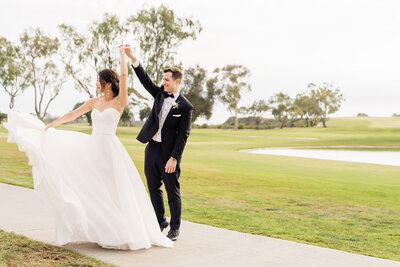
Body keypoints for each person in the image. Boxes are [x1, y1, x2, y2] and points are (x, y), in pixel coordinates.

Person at [3, 45, 173, 250]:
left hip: (110, 150)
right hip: (92, 147)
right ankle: (101, 229)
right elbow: (73, 114)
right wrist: (52, 125)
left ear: (108, 84)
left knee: (113, 190)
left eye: (99, 81)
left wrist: (123, 55)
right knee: (93, 189)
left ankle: (121, 231)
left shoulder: (120, 101)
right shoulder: (94, 102)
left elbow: (125, 76)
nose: (97, 84)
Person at [124, 45, 193, 241]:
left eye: (167, 80)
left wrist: (174, 158)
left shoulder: (186, 107)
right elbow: (145, 80)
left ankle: (174, 228)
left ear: (177, 82)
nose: (163, 83)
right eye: (163, 79)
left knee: (172, 191)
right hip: (152, 148)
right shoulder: (160, 94)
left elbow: (183, 135)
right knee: (153, 187)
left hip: (169, 153)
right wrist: (133, 59)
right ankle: (159, 220)